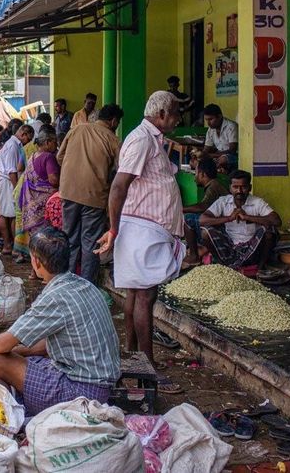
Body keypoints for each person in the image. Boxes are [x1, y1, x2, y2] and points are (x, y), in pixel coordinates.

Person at [96, 91, 185, 394]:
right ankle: (146, 367)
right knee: (144, 297)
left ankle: (135, 357)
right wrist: (113, 228)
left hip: (145, 229)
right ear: (161, 114)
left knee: (137, 294)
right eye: (174, 113)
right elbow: (119, 186)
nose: (177, 119)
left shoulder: (151, 139)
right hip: (142, 229)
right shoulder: (142, 139)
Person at [0, 228, 120, 416]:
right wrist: (19, 351)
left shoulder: (55, 297)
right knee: (24, 355)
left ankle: (13, 419)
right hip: (100, 386)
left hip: (81, 394)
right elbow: (52, 345)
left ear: (36, 261)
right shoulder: (83, 284)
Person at [57, 104, 123, 284]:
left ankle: (65, 282)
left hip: (68, 192)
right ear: (114, 121)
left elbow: (60, 157)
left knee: (69, 238)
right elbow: (121, 171)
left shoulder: (76, 129)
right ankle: (87, 287)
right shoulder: (113, 140)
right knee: (90, 242)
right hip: (94, 196)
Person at [200, 170, 281, 270]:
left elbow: (277, 221)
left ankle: (260, 267)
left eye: (243, 187)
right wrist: (229, 218)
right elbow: (202, 219)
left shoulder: (257, 202)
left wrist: (247, 217)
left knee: (270, 231)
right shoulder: (223, 201)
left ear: (249, 188)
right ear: (230, 188)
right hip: (229, 246)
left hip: (253, 247)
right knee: (205, 232)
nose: (239, 191)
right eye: (235, 187)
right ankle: (222, 266)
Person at [14, 125, 60, 268]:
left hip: (32, 206)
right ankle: (47, 269)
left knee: (36, 239)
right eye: (54, 141)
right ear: (47, 142)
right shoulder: (49, 157)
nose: (56, 144)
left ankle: (34, 270)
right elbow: (53, 180)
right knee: (47, 239)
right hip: (45, 206)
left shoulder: (33, 156)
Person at [183, 157, 228, 267]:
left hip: (224, 228)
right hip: (222, 224)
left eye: (196, 173)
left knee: (188, 219)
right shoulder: (214, 185)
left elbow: (203, 206)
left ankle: (194, 256)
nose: (195, 178)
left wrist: (181, 209)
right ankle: (200, 248)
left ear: (202, 174)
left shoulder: (213, 186)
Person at [0, 125, 33, 256]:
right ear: (24, 133)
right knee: (10, 215)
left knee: (7, 214)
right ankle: (9, 245)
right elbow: (12, 170)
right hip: (7, 182)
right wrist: (17, 189)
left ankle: (9, 244)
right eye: (29, 138)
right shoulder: (13, 145)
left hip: (5, 181)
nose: (28, 141)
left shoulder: (12, 144)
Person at [198, 104, 238, 172]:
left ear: (219, 116)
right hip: (217, 156)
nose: (208, 123)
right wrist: (200, 154)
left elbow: (232, 151)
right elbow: (206, 149)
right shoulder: (211, 129)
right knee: (195, 162)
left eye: (210, 119)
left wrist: (211, 155)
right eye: (206, 120)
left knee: (223, 160)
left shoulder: (231, 126)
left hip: (233, 156)